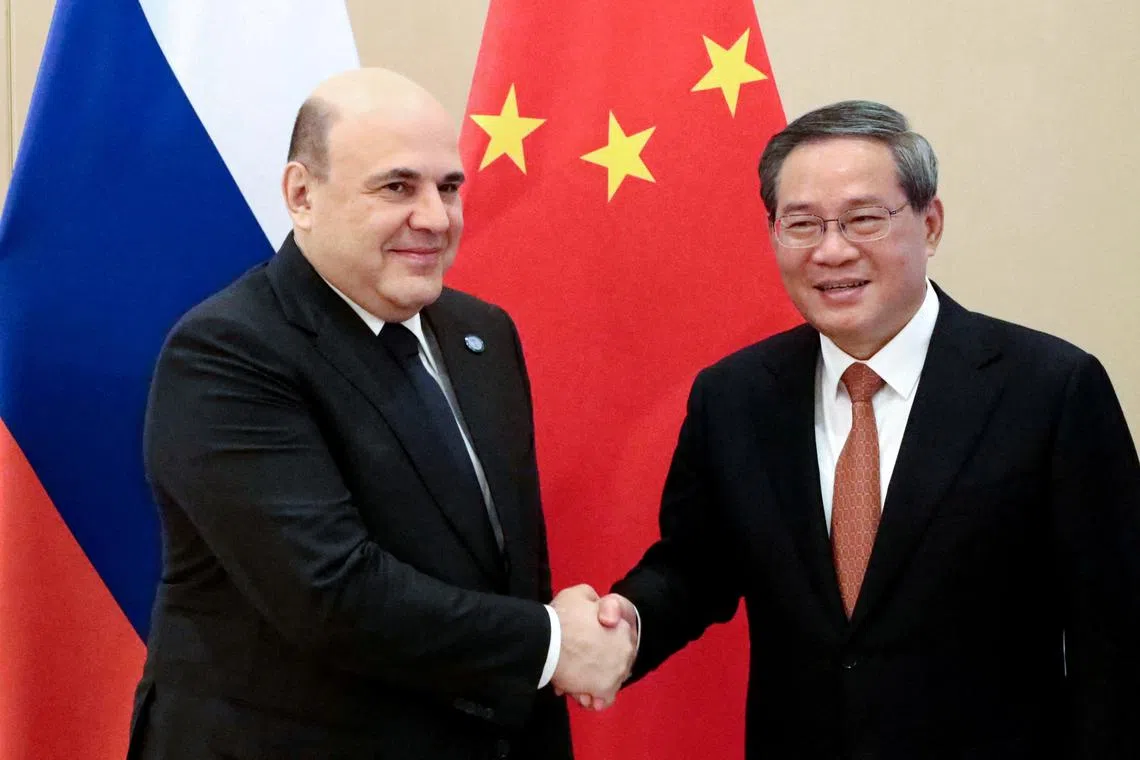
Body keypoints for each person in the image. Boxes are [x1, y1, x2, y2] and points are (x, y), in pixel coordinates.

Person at [587, 100, 1140, 758]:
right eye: (802, 224)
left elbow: (1118, 631)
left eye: (863, 219)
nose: (832, 250)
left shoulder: (1051, 388)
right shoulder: (734, 397)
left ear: (929, 223)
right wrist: (626, 623)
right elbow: (696, 566)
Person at [127, 68, 633, 760]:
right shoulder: (228, 352)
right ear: (302, 195)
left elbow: (507, 568)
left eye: (448, 187)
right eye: (398, 186)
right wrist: (552, 643)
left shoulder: (480, 333)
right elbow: (332, 594)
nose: (435, 217)